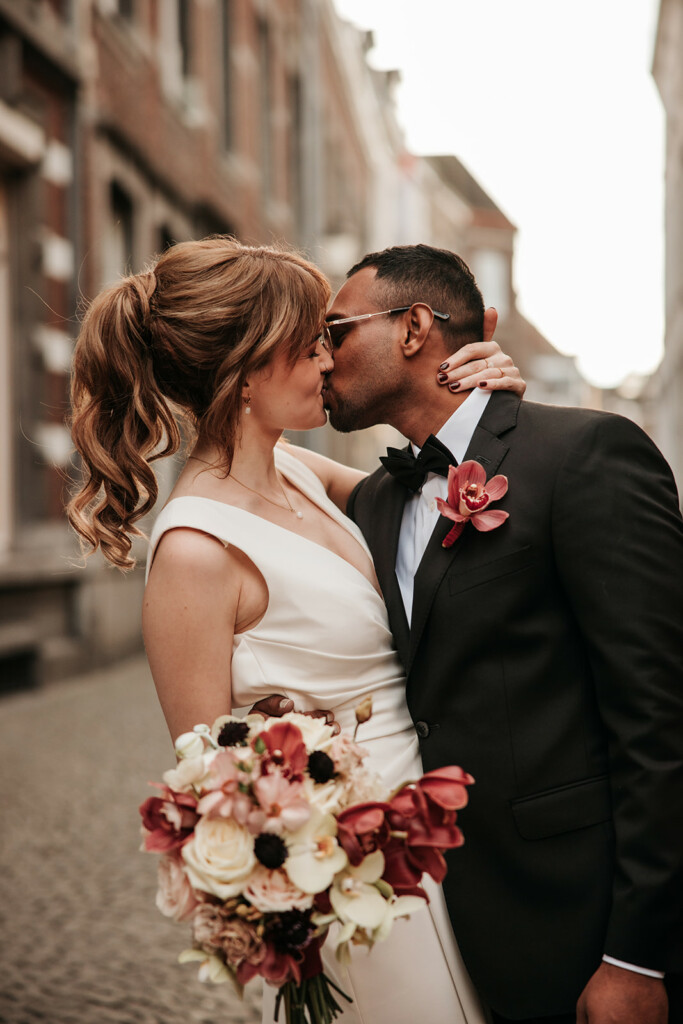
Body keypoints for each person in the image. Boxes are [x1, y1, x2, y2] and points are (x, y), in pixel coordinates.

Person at [67, 236, 527, 1024]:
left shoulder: (301, 472)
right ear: (246, 370)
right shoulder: (195, 551)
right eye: (310, 345)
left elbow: (442, 495)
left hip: (444, 842)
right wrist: (313, 889)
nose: (328, 364)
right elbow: (211, 788)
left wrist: (487, 393)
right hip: (357, 887)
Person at [311, 243, 682, 1024]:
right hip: (435, 920)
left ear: (413, 327)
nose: (320, 354)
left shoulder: (582, 455)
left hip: (579, 915)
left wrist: (638, 954)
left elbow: (660, 714)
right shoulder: (374, 500)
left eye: (335, 330)